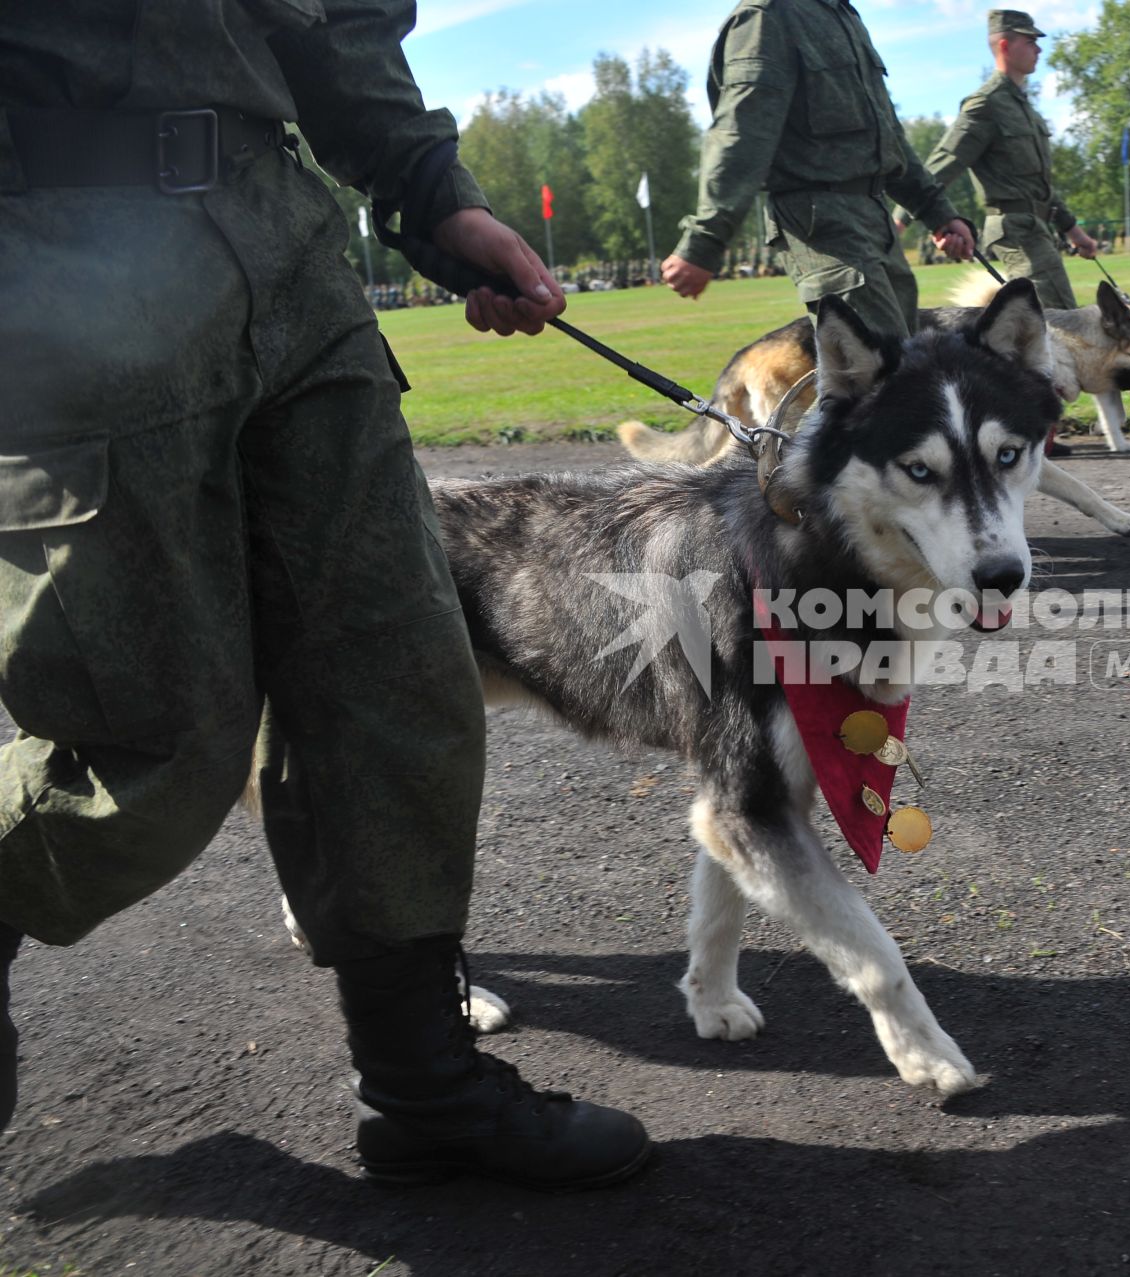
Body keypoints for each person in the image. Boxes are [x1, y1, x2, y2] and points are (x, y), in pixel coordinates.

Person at [0, 4, 651, 1188]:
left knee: (399, 675)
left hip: (286, 252)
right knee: (156, 743)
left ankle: (423, 1087)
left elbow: (336, 18)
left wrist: (432, 190)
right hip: (49, 261)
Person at [661, 0, 976, 342]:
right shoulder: (767, 17)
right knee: (878, 369)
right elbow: (741, 134)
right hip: (820, 221)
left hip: (874, 217)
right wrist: (705, 241)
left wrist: (936, 211)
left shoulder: (842, 15)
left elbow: (888, 137)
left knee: (899, 364)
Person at [908, 9, 1098, 308]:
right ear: (1005, 46)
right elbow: (945, 160)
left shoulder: (1024, 109)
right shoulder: (987, 104)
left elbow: (1040, 186)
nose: (1038, 48)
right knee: (1060, 320)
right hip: (1015, 229)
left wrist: (1074, 232)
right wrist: (899, 221)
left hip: (1036, 226)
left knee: (1046, 323)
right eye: (1030, 41)